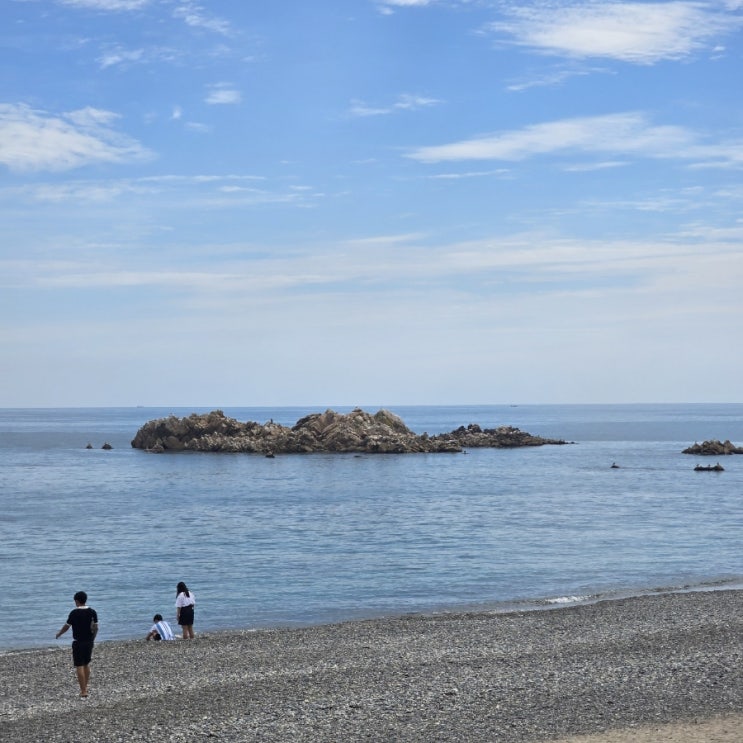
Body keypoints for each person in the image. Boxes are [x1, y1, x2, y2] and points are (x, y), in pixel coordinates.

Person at [55, 591, 98, 698]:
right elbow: (96, 628)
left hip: (78, 642)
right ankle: (85, 687)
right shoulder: (92, 612)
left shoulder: (74, 613)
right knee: (86, 664)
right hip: (89, 641)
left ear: (77, 601)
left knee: (79, 665)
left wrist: (59, 633)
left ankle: (83, 691)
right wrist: (93, 639)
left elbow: (67, 626)